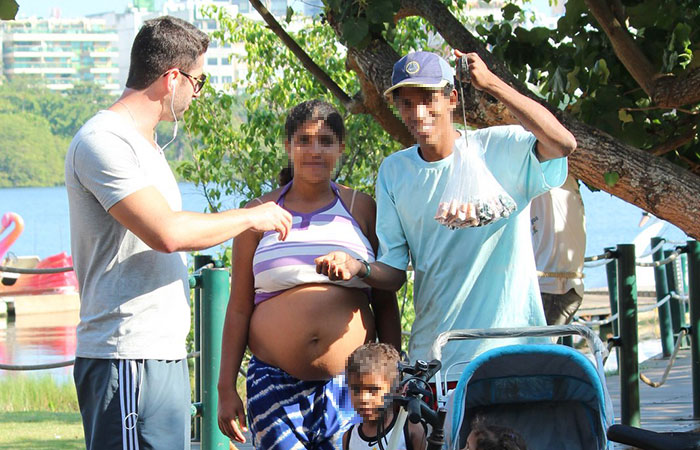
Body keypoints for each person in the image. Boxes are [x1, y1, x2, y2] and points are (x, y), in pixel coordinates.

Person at [65, 16, 292, 450]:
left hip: (159, 353)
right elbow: (167, 232)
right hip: (126, 355)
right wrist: (249, 217)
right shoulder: (103, 141)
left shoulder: (146, 145)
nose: (197, 94)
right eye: (198, 82)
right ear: (173, 79)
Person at [316, 50, 577, 381]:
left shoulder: (500, 148)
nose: (417, 112)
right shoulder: (395, 172)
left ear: (452, 98)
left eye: (427, 99)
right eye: (406, 103)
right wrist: (360, 267)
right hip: (438, 355)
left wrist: (492, 84)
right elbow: (394, 272)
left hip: (510, 352)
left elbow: (564, 144)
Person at [216, 100, 401, 450]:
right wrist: (226, 387)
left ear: (340, 148)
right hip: (273, 387)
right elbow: (239, 307)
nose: (315, 151)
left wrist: (395, 374)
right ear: (288, 146)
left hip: (353, 385)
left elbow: (385, 300)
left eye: (326, 141)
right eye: (304, 140)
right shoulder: (256, 214)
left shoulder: (362, 208)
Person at [343, 343, 426, 450]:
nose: (363, 398)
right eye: (356, 389)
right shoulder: (349, 438)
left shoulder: (410, 431)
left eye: (374, 390)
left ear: (397, 390)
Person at [530, 174, 586, 325]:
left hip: (553, 286)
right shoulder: (566, 179)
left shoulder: (548, 177)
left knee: (536, 347)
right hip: (564, 283)